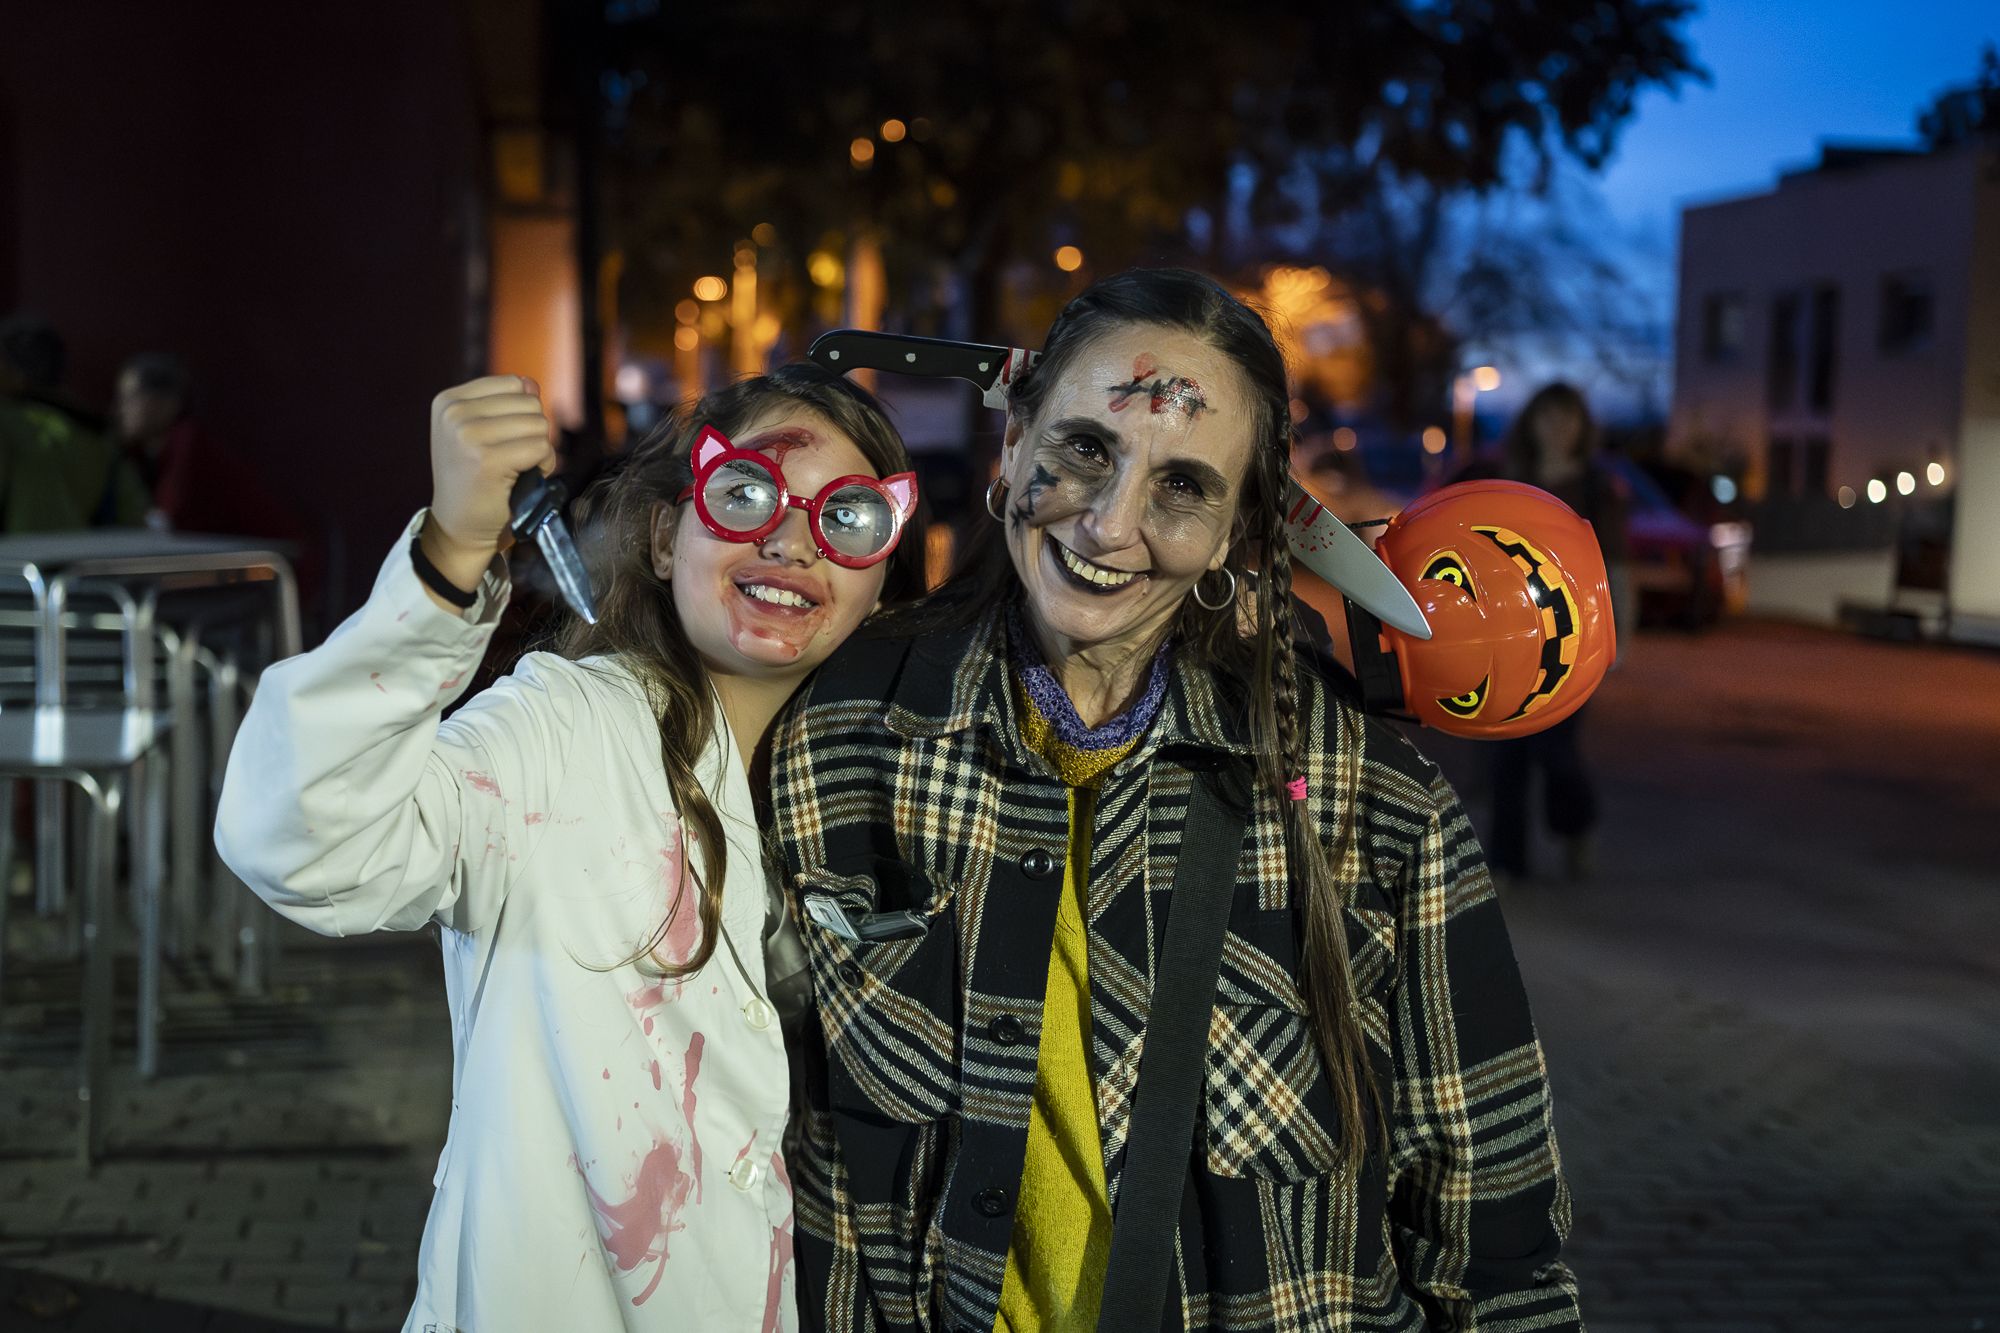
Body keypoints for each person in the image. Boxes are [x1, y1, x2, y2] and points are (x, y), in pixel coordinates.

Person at [770, 269, 1580, 1331]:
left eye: (1183, 487)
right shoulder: (842, 731)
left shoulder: (1369, 802)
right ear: (1012, 444)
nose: (1110, 525)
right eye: (1083, 450)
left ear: (1240, 530)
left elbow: (1499, 1258)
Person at [215, 365, 924, 1331]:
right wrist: (449, 554)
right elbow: (305, 835)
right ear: (666, 536)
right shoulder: (564, 730)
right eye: (745, 494)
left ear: (881, 576)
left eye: (848, 518)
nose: (792, 541)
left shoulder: (874, 794)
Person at [1461, 382, 1630, 883]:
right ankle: (1507, 862)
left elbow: (1617, 570)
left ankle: (1577, 828)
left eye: (1567, 418)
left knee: (1557, 752)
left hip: (1575, 643)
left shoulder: (1597, 489)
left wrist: (1620, 640)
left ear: (1581, 426)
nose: (1557, 428)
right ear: (1531, 423)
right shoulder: (1508, 481)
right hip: (1510, 640)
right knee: (1507, 754)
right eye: (1548, 417)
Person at [0, 313, 147, 531]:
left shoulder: (8, 423)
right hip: (81, 551)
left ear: (11, 370)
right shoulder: (98, 435)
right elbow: (135, 516)